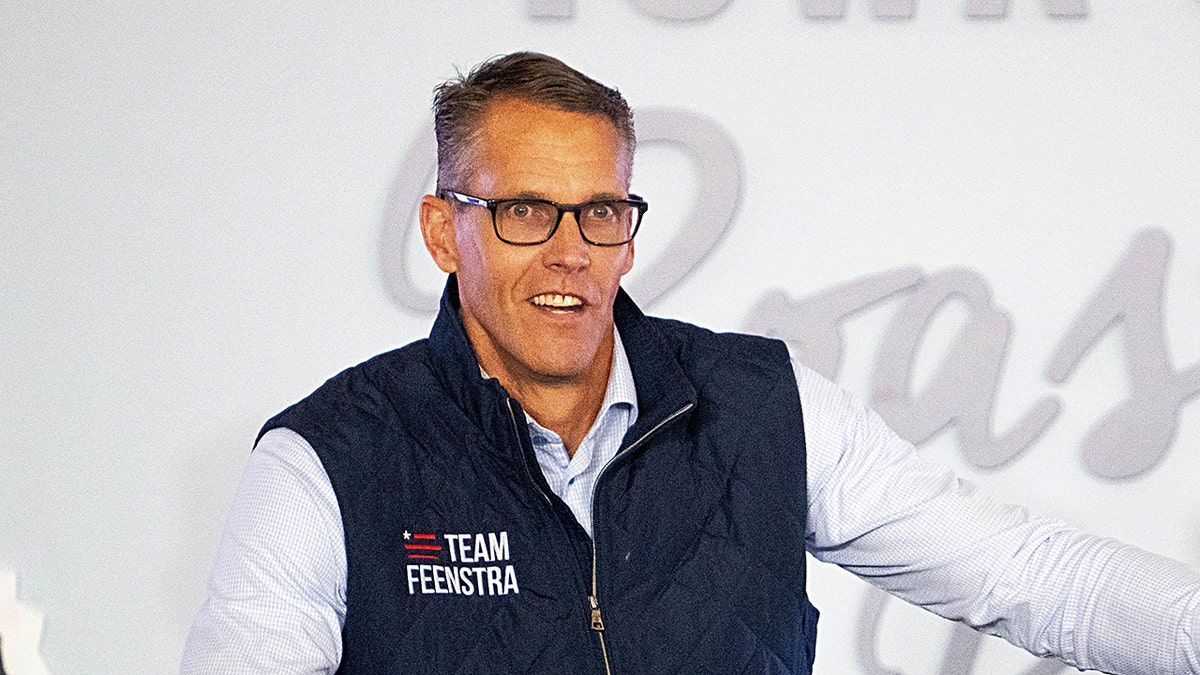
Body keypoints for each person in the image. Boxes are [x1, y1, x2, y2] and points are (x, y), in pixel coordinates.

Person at [181, 52, 1200, 674]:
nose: (573, 249)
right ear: (446, 232)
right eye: (528, 210)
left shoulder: (765, 410)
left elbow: (1032, 577)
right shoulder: (330, 460)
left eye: (604, 211)